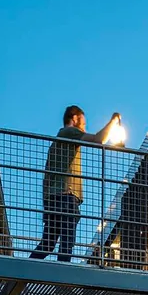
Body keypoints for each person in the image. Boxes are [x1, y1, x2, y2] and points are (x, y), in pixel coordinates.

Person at [30, 106, 121, 263]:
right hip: (66, 198)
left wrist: (46, 204)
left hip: (53, 199)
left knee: (48, 244)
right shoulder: (69, 132)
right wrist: (113, 121)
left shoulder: (58, 142)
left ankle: (22, 269)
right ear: (74, 118)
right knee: (66, 243)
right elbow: (98, 140)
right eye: (83, 123)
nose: (84, 128)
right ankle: (62, 276)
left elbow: (47, 179)